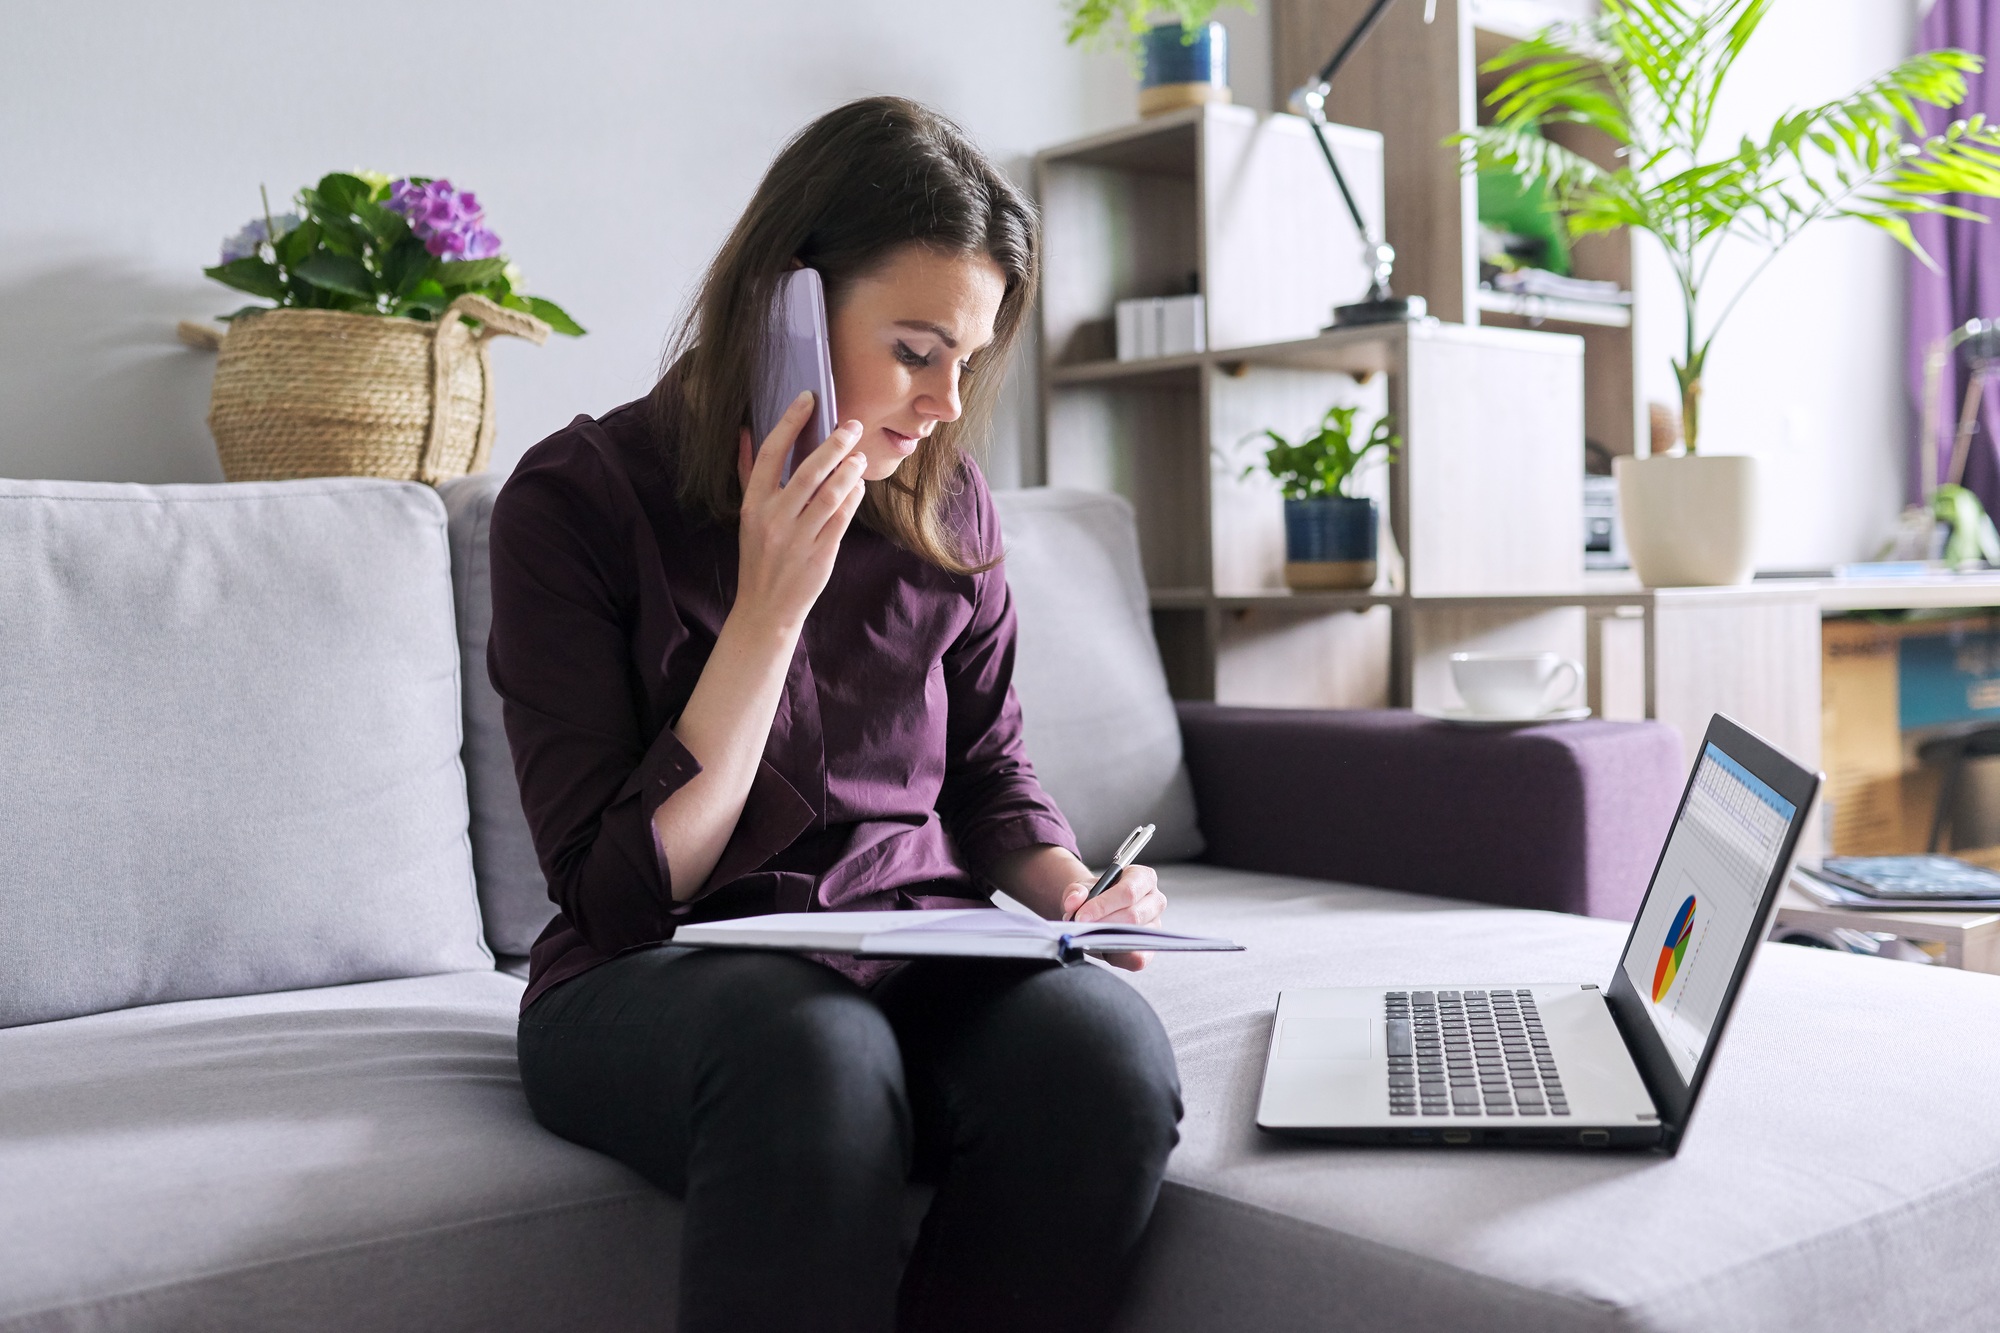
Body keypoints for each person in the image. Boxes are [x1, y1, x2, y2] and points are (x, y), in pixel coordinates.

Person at [488, 96, 1184, 1333]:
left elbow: (984, 774)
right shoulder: (574, 502)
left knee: (1104, 1062)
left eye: (964, 362)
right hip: (657, 975)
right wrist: (767, 611)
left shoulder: (945, 504)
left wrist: (1072, 898)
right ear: (785, 309)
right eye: (915, 350)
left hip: (908, 942)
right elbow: (621, 893)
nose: (941, 402)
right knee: (810, 1054)